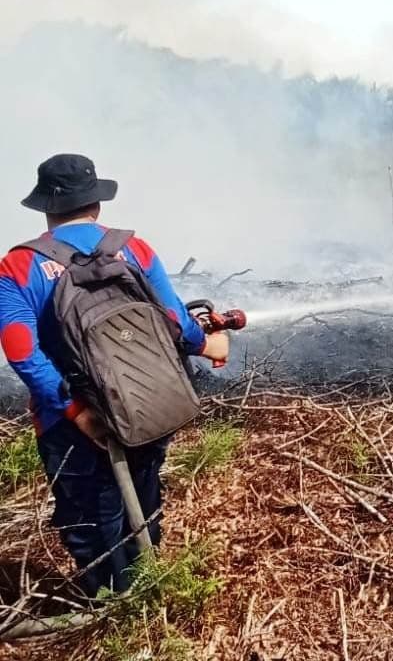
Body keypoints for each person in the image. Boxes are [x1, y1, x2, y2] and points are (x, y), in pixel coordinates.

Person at [0, 154, 229, 596]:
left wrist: (75, 411)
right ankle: (145, 585)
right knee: (142, 495)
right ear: (97, 205)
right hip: (144, 402)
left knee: (88, 517)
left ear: (46, 208)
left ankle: (109, 600)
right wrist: (210, 344)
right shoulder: (135, 249)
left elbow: (22, 354)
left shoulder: (17, 268)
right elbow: (176, 323)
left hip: (69, 422)